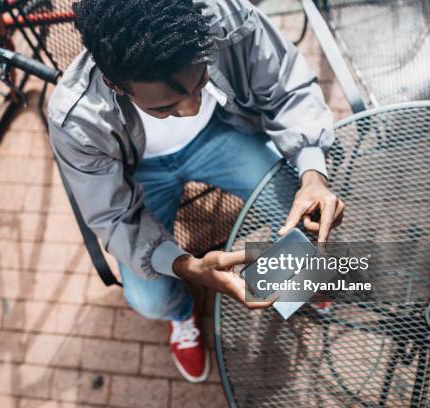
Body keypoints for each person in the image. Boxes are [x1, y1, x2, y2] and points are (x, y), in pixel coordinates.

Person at [47, 0, 345, 383]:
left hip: (220, 133)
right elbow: (114, 217)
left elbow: (284, 84)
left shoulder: (224, 16)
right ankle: (181, 312)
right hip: (143, 173)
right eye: (165, 106)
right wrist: (186, 267)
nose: (190, 108)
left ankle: (291, 281)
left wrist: (313, 174)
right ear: (114, 84)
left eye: (200, 81)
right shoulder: (75, 118)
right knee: (148, 299)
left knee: (300, 215)